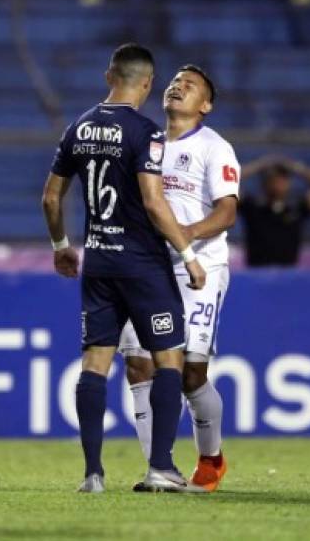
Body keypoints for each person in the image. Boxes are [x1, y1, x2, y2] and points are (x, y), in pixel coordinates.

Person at [41, 43, 207, 494]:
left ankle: (92, 474)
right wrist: (189, 255)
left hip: (98, 261)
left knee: (95, 363)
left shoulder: (78, 127)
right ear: (148, 83)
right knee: (168, 358)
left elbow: (51, 197)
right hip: (142, 264)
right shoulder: (145, 132)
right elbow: (154, 204)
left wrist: (61, 246)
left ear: (108, 75)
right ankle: (160, 468)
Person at [117, 65, 239, 492]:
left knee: (190, 375)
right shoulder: (144, 142)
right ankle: (159, 469)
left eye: (190, 86)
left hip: (200, 267)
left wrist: (185, 236)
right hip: (147, 268)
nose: (178, 86)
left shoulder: (214, 147)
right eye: (174, 82)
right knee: (138, 365)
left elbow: (227, 212)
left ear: (205, 105)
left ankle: (211, 459)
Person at [239, 154, 310, 267]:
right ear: (265, 183)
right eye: (273, 179)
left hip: (288, 276)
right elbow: (227, 186)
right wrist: (259, 166)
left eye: (282, 179)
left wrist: (297, 168)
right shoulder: (251, 207)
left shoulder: (297, 208)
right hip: (257, 273)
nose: (278, 183)